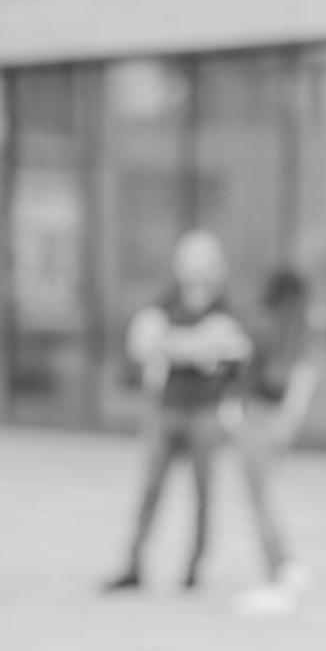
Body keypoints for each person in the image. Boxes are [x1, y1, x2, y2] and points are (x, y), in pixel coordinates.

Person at [104, 230, 249, 593]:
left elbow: (231, 345)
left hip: (206, 412)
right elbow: (142, 342)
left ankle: (194, 567)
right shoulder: (164, 303)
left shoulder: (227, 310)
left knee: (203, 494)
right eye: (190, 261)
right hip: (166, 408)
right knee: (150, 491)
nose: (196, 270)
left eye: (204, 262)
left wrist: (173, 345)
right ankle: (134, 564)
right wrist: (198, 346)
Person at [225, 267, 326, 616]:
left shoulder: (273, 326)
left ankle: (278, 574)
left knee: (261, 501)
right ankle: (285, 567)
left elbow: (262, 372)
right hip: (272, 418)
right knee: (265, 498)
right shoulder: (303, 326)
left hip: (261, 418)